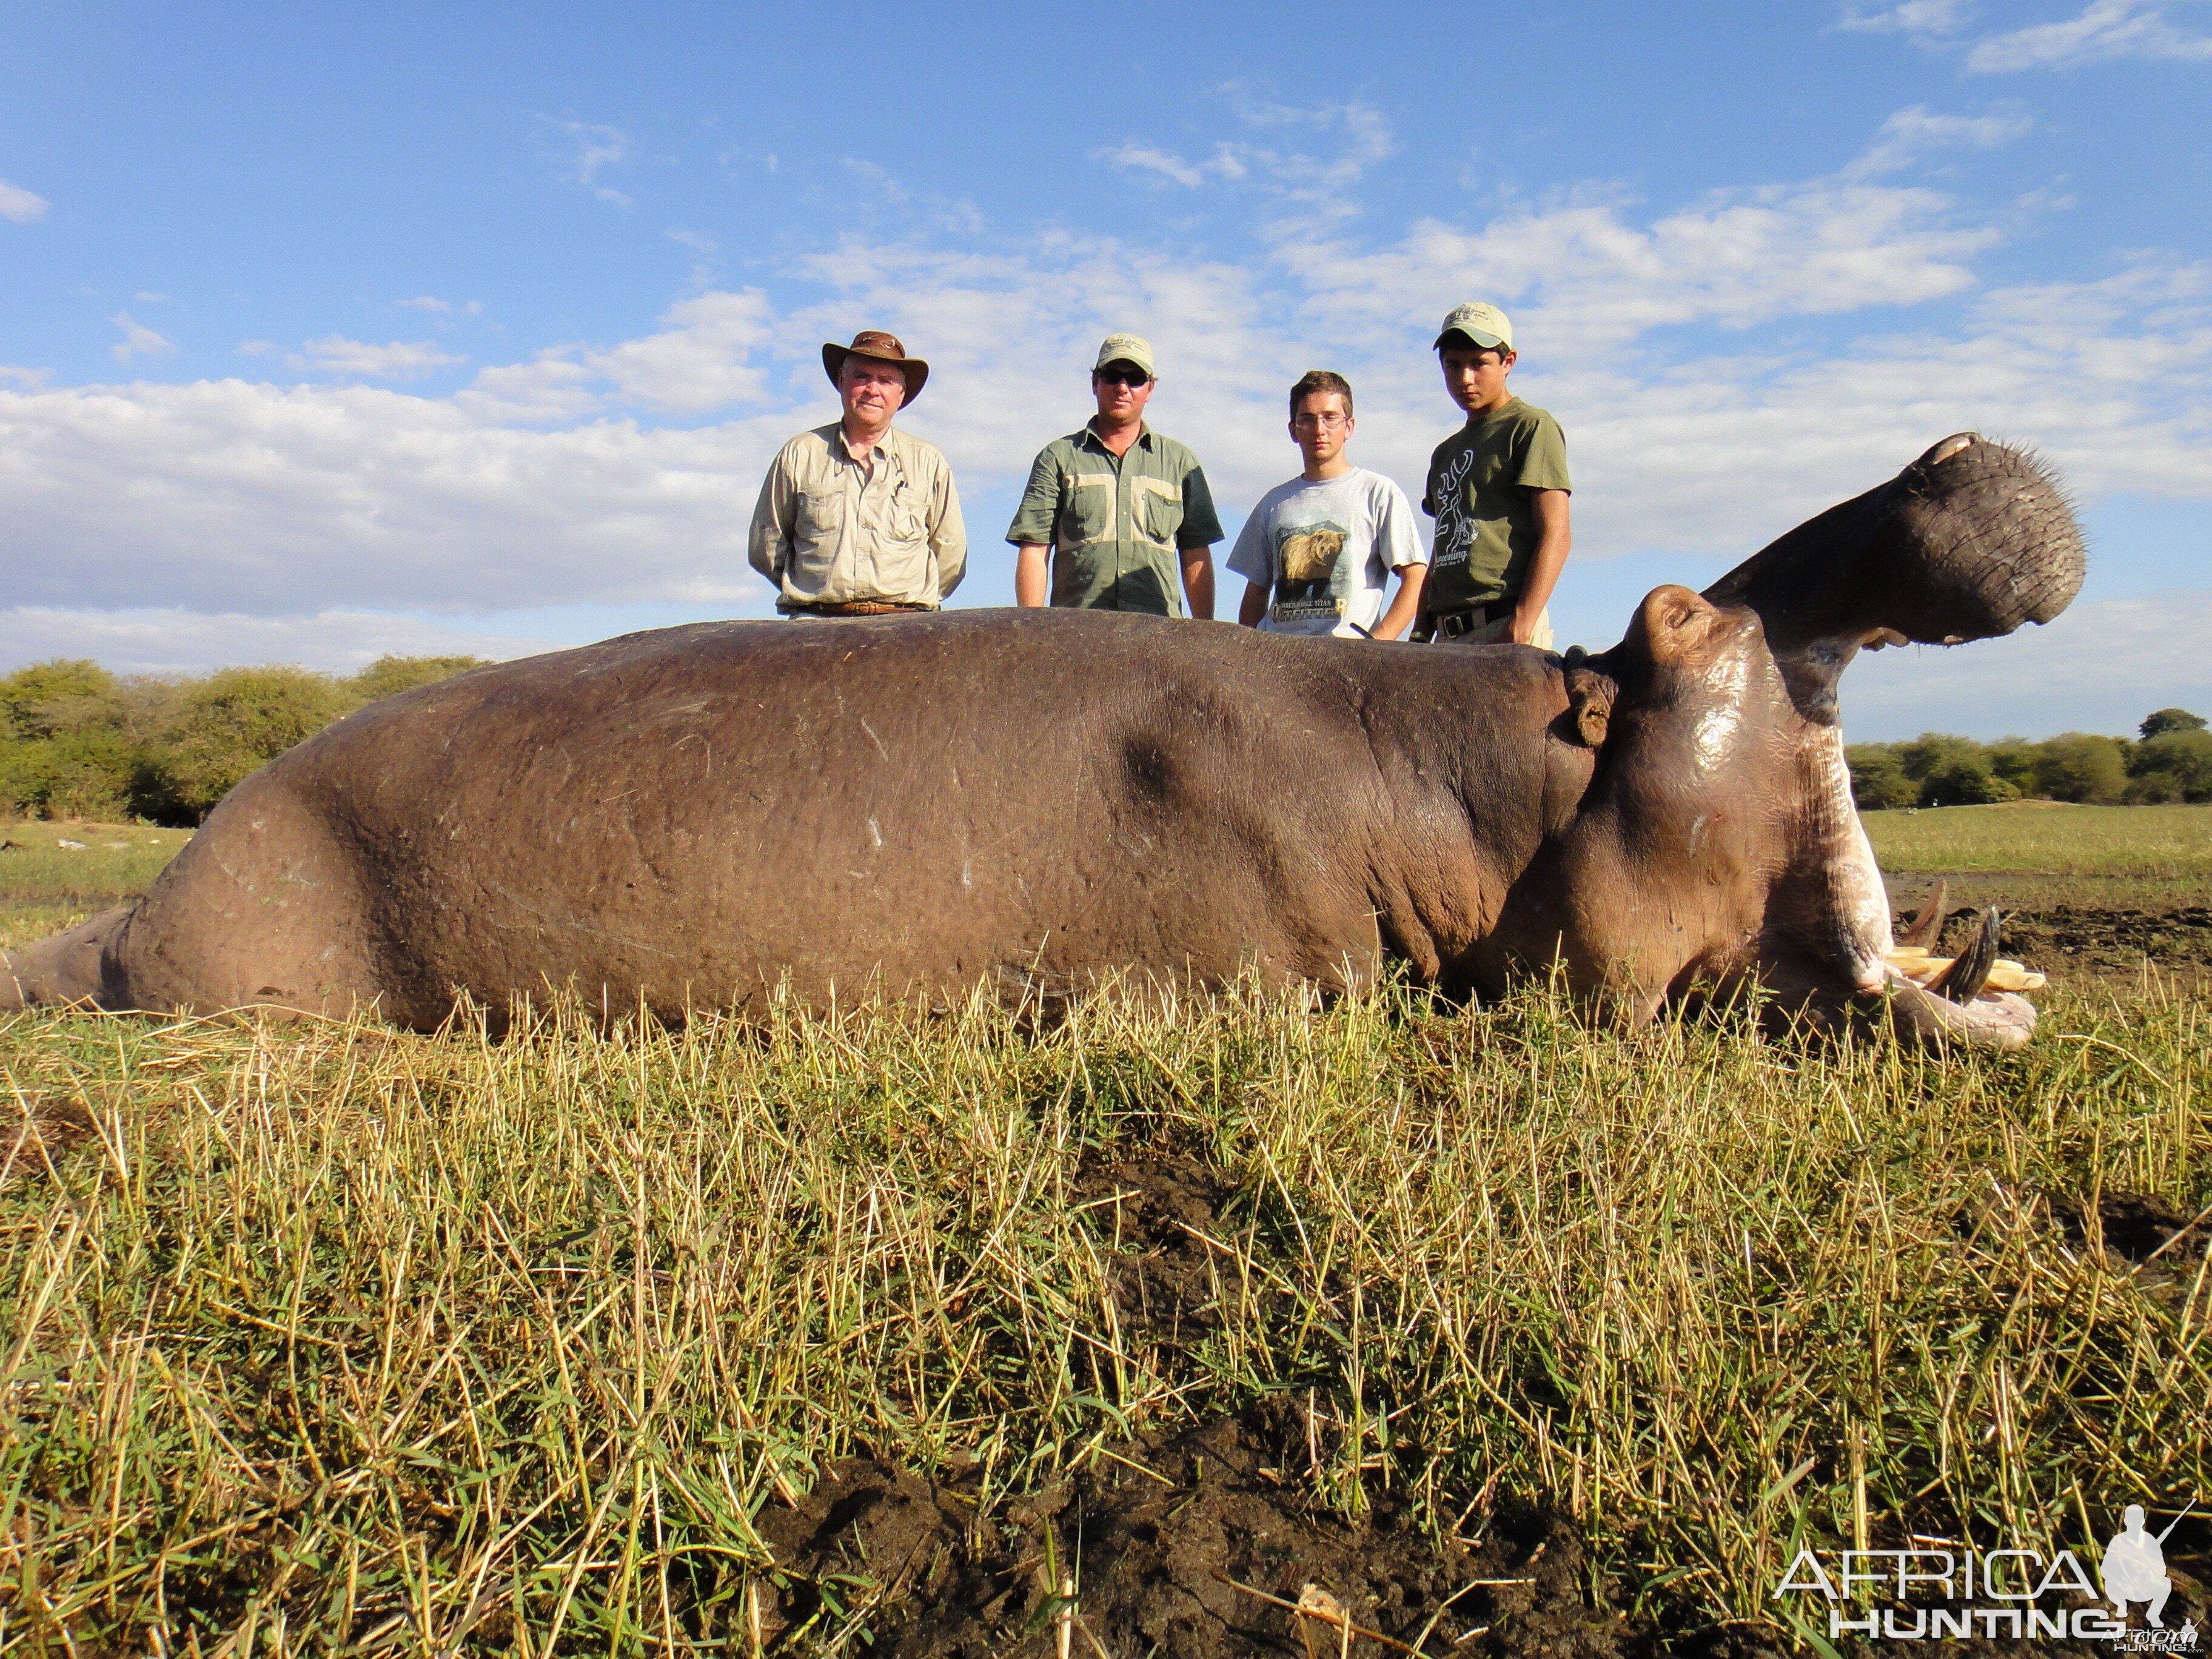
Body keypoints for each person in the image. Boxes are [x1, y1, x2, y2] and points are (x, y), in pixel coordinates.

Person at [748, 330, 966, 617]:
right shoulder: (800, 454)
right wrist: (816, 596)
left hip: (906, 631)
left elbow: (951, 555)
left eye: (886, 381)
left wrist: (908, 603)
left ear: (901, 394)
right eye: (861, 376)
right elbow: (766, 546)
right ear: (841, 381)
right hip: (816, 627)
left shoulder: (929, 462)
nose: (872, 389)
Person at [1007, 333, 1224, 618]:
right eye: (1112, 376)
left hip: (1160, 636)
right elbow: (1034, 550)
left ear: (1150, 388)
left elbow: (1196, 554)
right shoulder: (1057, 458)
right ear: (1095, 383)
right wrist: (1031, 629)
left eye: (1134, 378)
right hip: (1077, 635)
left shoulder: (1180, 462)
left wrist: (1204, 633)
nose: (1123, 387)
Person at [1416, 301, 1570, 647]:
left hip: (1503, 625)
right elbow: (1443, 547)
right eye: (1452, 366)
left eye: (1479, 364)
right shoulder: (1444, 453)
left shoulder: (1530, 427)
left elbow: (1557, 534)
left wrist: (1522, 622)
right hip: (1446, 637)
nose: (1464, 379)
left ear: (1508, 362)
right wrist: (1420, 631)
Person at [1229, 370, 1427, 639]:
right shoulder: (1273, 504)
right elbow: (1256, 591)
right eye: (1307, 419)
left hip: (1350, 656)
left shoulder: (1378, 493)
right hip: (1279, 659)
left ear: (1349, 427)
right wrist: (1248, 650)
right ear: (1293, 430)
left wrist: (1380, 644)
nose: (1319, 429)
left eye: (1330, 417)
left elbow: (1415, 577)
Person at [2102, 1505, 2176, 1627]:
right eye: (2131, 1520)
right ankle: (2121, 1608)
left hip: (2144, 1584)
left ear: (2142, 1521)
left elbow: (2162, 1569)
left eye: (2136, 1520)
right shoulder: (2118, 1541)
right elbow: (2105, 1569)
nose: (2133, 1524)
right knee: (2109, 1584)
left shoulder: (2149, 1540)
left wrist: (2146, 1568)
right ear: (2125, 1521)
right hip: (2123, 1585)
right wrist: (2123, 1569)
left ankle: (2153, 1614)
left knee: (2166, 1583)